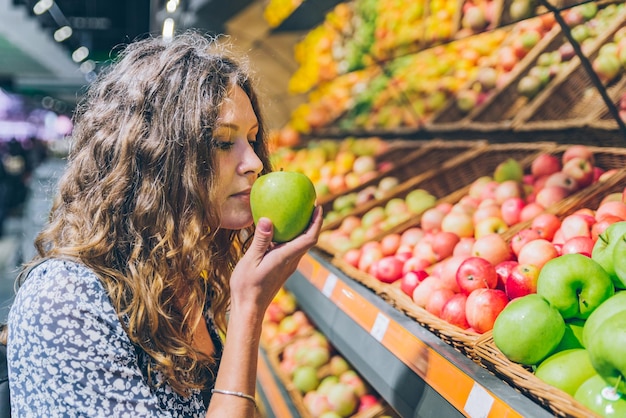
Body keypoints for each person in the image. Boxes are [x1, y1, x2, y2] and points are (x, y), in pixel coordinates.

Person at [4, 30, 323, 417]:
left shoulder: (178, 279)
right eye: (223, 143)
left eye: (253, 139)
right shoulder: (67, 302)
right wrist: (248, 309)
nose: (255, 162)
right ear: (156, 160)